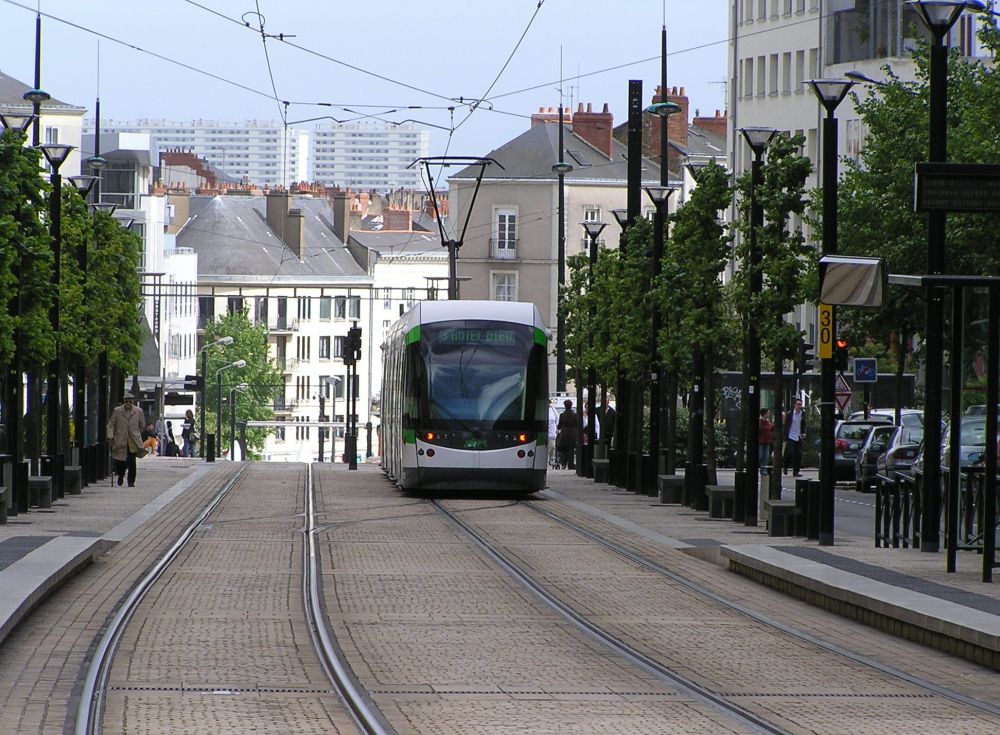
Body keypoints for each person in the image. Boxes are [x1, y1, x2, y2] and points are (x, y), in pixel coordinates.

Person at [107, 392, 146, 487]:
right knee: (121, 460)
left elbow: (142, 425)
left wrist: (136, 433)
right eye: (126, 401)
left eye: (130, 402)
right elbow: (111, 424)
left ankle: (131, 481)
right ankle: (120, 475)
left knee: (132, 461)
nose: (128, 403)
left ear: (132, 402)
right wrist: (110, 435)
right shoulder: (117, 411)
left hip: (133, 439)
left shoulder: (138, 411)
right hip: (121, 438)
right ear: (124, 402)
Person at [783, 398, 807, 477]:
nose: (799, 406)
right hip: (791, 435)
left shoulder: (802, 414)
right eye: (798, 404)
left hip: (798, 435)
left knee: (799, 454)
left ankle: (796, 471)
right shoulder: (790, 414)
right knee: (791, 452)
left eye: (800, 404)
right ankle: (785, 465)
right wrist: (785, 435)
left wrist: (803, 432)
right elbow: (786, 425)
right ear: (794, 405)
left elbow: (804, 424)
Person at [556, 399, 578, 470]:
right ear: (571, 406)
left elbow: (559, 425)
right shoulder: (575, 415)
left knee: (564, 449)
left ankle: (563, 464)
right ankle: (570, 465)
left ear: (564, 406)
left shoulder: (562, 415)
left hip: (564, 433)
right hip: (572, 433)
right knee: (571, 449)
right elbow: (577, 424)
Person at [758, 408, 774, 476]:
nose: (769, 414)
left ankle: (764, 470)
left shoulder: (769, 422)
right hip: (761, 441)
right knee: (760, 456)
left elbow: (772, 428)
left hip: (767, 441)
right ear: (764, 414)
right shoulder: (760, 421)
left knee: (766, 457)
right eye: (768, 413)